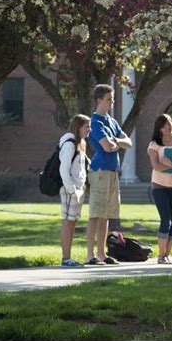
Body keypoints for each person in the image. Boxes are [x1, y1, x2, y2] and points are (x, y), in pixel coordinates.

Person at [84, 84, 132, 265]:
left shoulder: (112, 121)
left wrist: (117, 141)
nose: (112, 102)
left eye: (112, 99)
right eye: (109, 99)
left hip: (112, 172)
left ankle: (102, 254)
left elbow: (128, 142)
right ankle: (90, 255)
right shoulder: (94, 122)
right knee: (96, 214)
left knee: (106, 215)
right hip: (100, 172)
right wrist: (117, 143)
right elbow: (106, 146)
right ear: (99, 101)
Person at [147, 114, 172, 264]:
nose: (168, 127)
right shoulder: (154, 145)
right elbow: (156, 166)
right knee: (166, 220)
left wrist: (169, 163)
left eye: (169, 123)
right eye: (164, 125)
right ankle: (160, 255)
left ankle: (167, 255)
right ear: (159, 128)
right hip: (159, 186)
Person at [59, 113, 91, 267]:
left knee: (73, 222)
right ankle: (66, 258)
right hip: (70, 189)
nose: (89, 129)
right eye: (87, 127)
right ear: (79, 127)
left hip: (79, 188)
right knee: (68, 222)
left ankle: (68, 257)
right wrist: (71, 190)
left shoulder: (81, 143)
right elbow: (63, 169)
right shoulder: (69, 144)